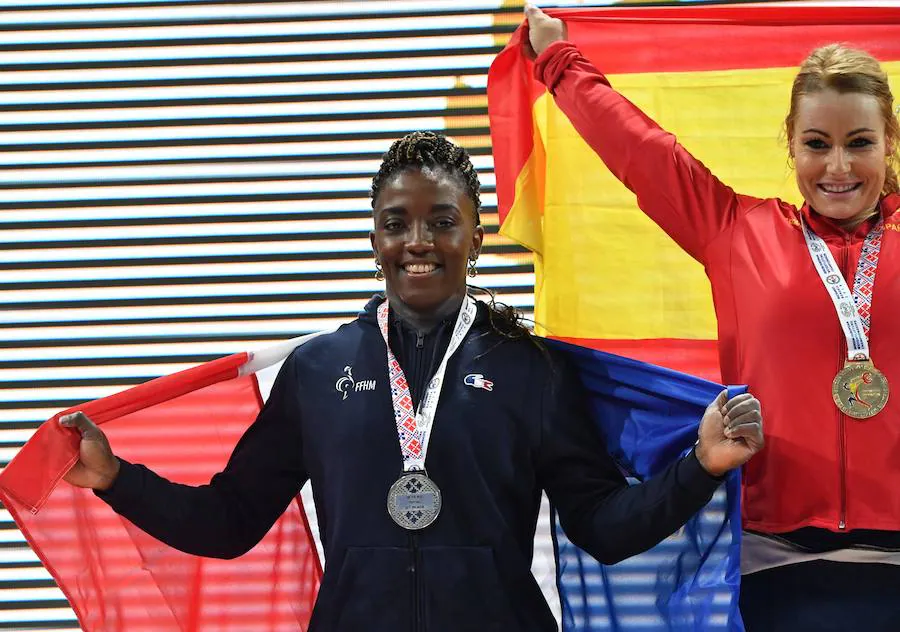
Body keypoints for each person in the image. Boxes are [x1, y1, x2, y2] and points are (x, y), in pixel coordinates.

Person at [59, 131, 763, 632]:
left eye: (442, 222)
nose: (418, 241)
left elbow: (602, 527)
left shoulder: (531, 371)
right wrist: (117, 477)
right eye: (397, 224)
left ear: (476, 237)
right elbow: (229, 522)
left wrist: (700, 467)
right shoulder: (316, 371)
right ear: (375, 241)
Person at [524, 4, 900, 631]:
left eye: (859, 143)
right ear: (791, 145)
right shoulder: (737, 233)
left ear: (889, 139)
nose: (837, 167)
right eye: (817, 144)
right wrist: (559, 61)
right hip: (777, 568)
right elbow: (642, 152)